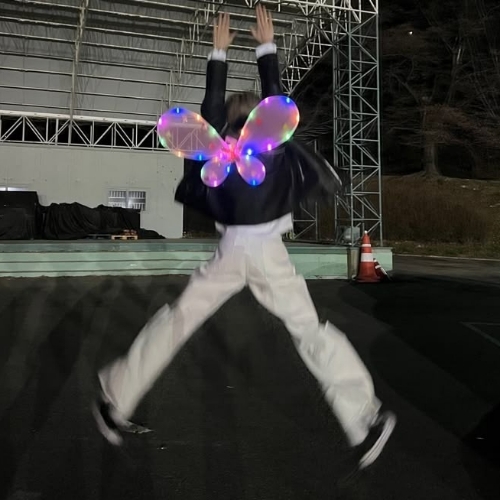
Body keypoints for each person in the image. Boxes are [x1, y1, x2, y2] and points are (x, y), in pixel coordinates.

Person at [94, 5, 396, 472]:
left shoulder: (216, 151)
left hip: (230, 248)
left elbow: (215, 114)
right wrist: (265, 49)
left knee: (178, 320)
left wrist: (218, 56)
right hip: (262, 250)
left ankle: (115, 397)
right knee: (308, 330)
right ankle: (362, 418)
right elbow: (276, 101)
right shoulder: (265, 145)